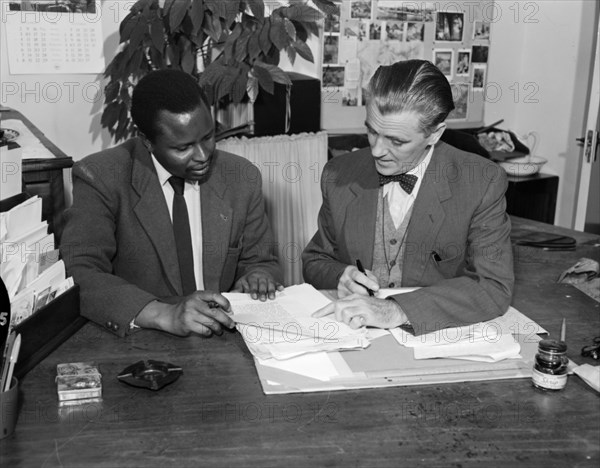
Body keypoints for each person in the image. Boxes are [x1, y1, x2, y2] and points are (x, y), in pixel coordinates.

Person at [60, 69, 283, 338]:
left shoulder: (241, 177)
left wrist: (256, 277)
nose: (203, 155)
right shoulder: (103, 176)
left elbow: (261, 261)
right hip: (144, 340)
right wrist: (162, 314)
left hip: (224, 337)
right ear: (147, 141)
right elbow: (79, 271)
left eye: (208, 137)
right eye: (182, 148)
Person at [303, 60, 514, 335]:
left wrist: (396, 310)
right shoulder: (339, 174)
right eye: (372, 131)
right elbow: (315, 260)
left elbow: (493, 287)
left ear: (434, 134)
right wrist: (340, 276)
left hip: (436, 338)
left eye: (396, 141)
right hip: (353, 335)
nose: (377, 150)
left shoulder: (481, 182)